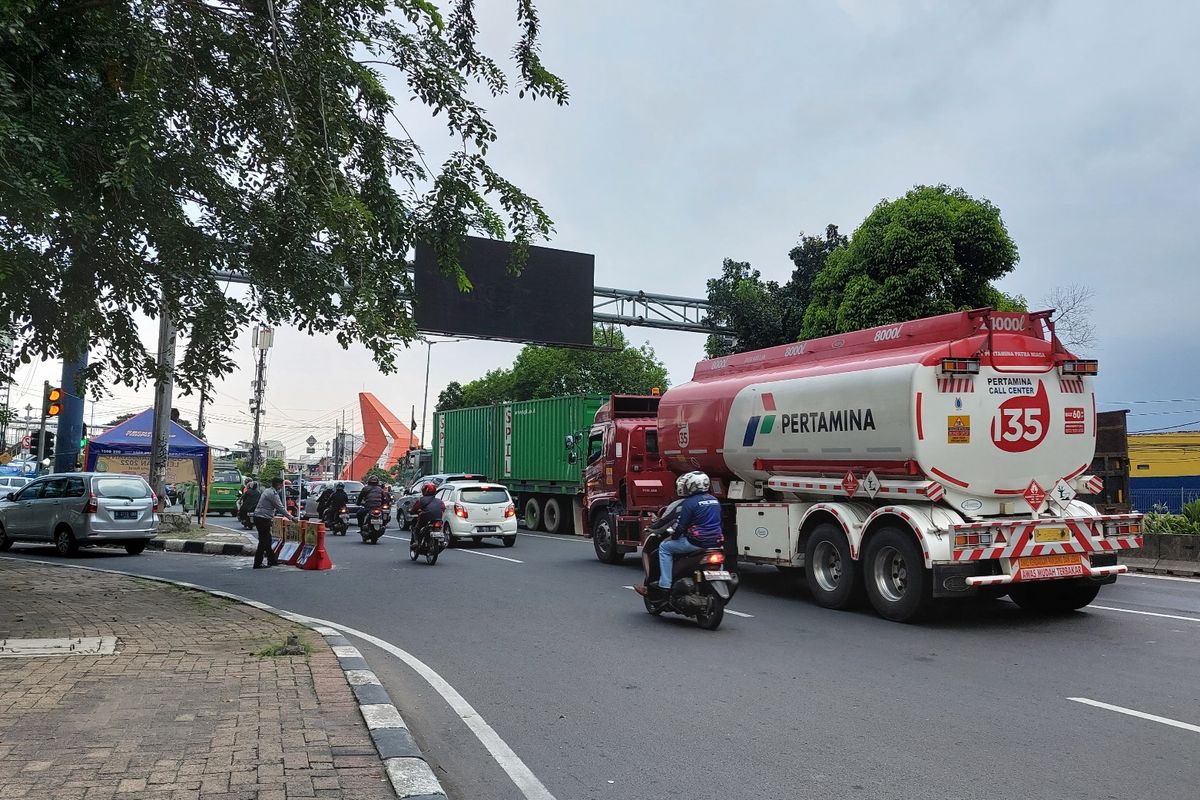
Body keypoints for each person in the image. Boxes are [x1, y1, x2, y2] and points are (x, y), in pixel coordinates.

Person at [635, 471, 723, 598]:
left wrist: (673, 537)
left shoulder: (689, 502)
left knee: (665, 548)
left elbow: (681, 526)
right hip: (716, 542)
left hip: (696, 542)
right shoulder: (715, 500)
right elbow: (720, 523)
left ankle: (664, 584)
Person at [252, 477, 296, 569]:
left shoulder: (268, 490)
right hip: (263, 518)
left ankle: (271, 560)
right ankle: (257, 563)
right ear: (277, 484)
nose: (281, 487)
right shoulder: (273, 494)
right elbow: (280, 507)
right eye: (281, 485)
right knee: (264, 541)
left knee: (267, 540)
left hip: (260, 517)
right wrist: (291, 518)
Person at [411, 482, 446, 550]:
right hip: (438, 519)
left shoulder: (421, 500)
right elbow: (443, 508)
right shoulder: (439, 501)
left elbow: (414, 509)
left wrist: (414, 512)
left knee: (416, 528)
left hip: (425, 518)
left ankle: (416, 542)